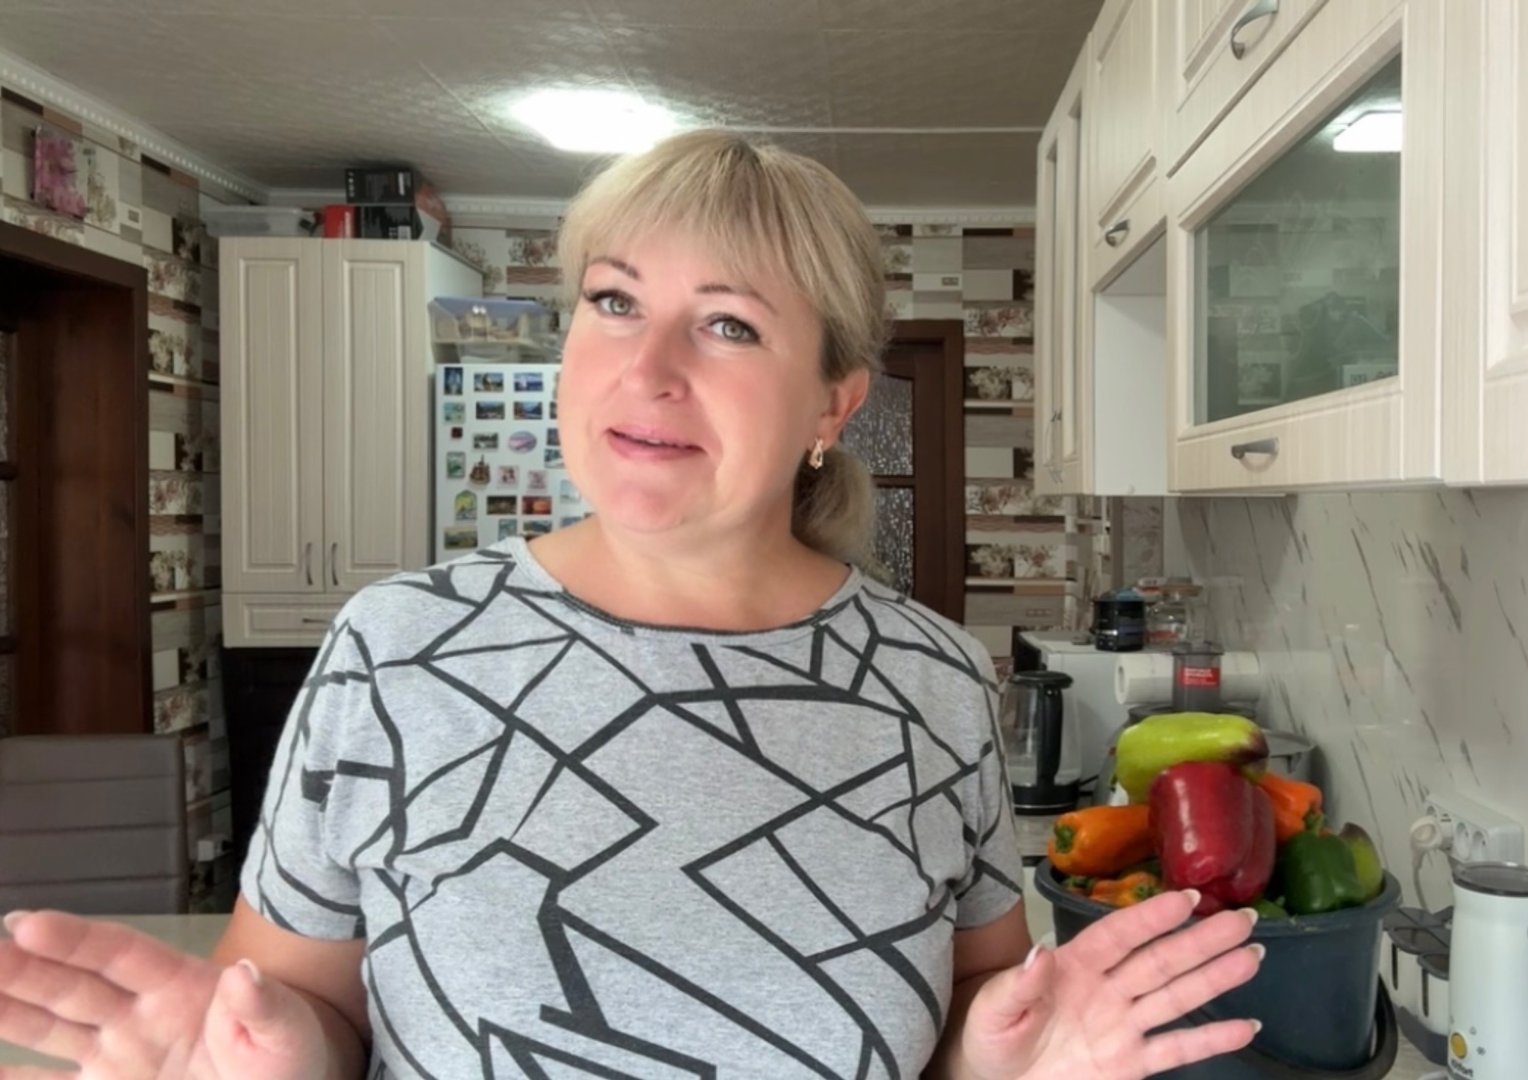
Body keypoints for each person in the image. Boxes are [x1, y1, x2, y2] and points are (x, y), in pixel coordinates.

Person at [0, 131, 1262, 1079]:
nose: (646, 369)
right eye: (614, 302)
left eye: (728, 325)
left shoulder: (928, 680)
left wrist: (1000, 1064)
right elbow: (307, 1007)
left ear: (833, 404)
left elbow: (967, 1019)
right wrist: (263, 1056)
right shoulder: (398, 651)